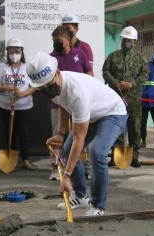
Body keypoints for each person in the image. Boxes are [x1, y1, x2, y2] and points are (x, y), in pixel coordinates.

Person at [26, 51, 127, 216]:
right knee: (65, 151)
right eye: (41, 87)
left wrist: (66, 176)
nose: (46, 89)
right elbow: (63, 105)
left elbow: (79, 139)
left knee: (97, 152)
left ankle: (98, 205)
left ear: (57, 73)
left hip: (112, 112)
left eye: (47, 84)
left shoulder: (77, 92)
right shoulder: (53, 85)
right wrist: (60, 132)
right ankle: (81, 196)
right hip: (92, 114)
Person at [49, 25, 93, 180]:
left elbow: (89, 72)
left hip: (78, 103)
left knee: (82, 135)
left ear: (67, 40)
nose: (56, 44)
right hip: (58, 104)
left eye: (59, 41)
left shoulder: (80, 54)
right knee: (57, 135)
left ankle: (86, 167)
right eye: (54, 41)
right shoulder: (51, 58)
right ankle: (56, 168)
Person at [102, 26, 149, 168]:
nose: (127, 42)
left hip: (133, 98)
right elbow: (105, 71)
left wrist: (131, 83)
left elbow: (145, 74)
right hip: (115, 97)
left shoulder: (140, 58)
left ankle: (134, 156)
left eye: (130, 40)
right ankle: (115, 154)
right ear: (121, 39)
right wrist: (115, 83)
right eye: (125, 39)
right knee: (115, 126)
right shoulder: (112, 56)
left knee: (135, 126)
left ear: (135, 42)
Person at [0, 37, 37, 170]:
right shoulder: (2, 67)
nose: (14, 53)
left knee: (23, 132)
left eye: (17, 50)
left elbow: (34, 86)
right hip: (6, 106)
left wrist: (22, 94)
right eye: (12, 50)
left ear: (22, 52)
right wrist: (6, 87)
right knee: (9, 132)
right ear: (7, 52)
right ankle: (11, 157)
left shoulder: (27, 67)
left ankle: (26, 160)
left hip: (24, 106)